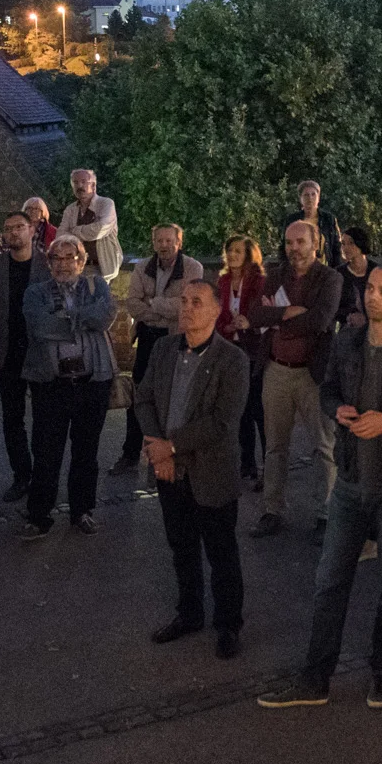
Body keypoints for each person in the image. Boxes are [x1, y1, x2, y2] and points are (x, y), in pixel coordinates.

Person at [260, 264, 382, 711]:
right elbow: (328, 390)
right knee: (329, 581)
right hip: (349, 482)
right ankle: (316, 677)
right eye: (370, 288)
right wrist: (338, 409)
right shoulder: (346, 341)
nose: (373, 296)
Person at [135, 280, 251, 659]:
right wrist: (159, 449)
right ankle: (189, 613)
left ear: (217, 310)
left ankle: (228, 625)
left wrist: (170, 447)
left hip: (211, 473)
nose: (186, 307)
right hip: (169, 471)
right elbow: (144, 398)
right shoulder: (164, 349)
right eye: (183, 301)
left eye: (196, 302)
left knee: (221, 553)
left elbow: (222, 422)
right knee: (181, 547)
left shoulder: (232, 360)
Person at [20, 236, 117, 539]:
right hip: (51, 385)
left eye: (69, 257)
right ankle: (39, 516)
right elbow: (40, 327)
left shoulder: (97, 286)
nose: (62, 264)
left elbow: (105, 317)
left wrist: (66, 319)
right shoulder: (35, 293)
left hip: (92, 384)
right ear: (48, 263)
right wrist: (83, 319)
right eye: (56, 258)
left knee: (86, 452)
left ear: (82, 261)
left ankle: (82, 511)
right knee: (46, 453)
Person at [248, 219, 341, 537]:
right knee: (274, 446)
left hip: (312, 373)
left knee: (324, 447)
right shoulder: (275, 276)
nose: (294, 248)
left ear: (316, 244)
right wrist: (288, 312)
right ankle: (272, 510)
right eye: (289, 242)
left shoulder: (330, 278)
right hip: (276, 370)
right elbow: (255, 315)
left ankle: (326, 515)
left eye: (300, 242)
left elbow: (320, 320)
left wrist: (278, 319)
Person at [115, 224, 203, 476]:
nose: (164, 245)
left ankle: (172, 454)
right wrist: (165, 310)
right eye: (159, 241)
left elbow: (187, 306)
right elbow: (132, 303)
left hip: (175, 338)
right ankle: (130, 453)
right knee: (139, 395)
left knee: (175, 396)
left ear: (179, 242)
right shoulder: (143, 267)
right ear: (153, 243)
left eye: (168, 241)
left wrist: (152, 303)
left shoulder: (193, 268)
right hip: (147, 337)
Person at [0, 212, 48, 503]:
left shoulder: (48, 264)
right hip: (7, 353)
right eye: (8, 229)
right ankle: (21, 475)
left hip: (41, 353)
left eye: (19, 227)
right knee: (12, 419)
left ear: (32, 230)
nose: (13, 233)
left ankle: (43, 476)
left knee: (44, 419)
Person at [216, 234, 267, 484]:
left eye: (237, 251)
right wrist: (226, 326)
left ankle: (269, 466)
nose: (232, 255)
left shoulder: (259, 281)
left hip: (254, 350)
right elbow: (218, 311)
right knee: (240, 410)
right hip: (232, 348)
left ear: (248, 254)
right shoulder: (223, 281)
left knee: (259, 410)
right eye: (229, 250)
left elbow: (263, 312)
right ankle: (247, 463)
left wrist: (248, 322)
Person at [57, 168, 122, 275]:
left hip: (101, 269)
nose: (79, 186)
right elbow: (60, 235)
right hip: (75, 269)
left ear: (93, 185)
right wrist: (84, 232)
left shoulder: (106, 204)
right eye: (75, 182)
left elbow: (100, 229)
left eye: (83, 182)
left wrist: (74, 231)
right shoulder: (70, 209)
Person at [283, 180, 343, 266]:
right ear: (300, 199)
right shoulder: (292, 220)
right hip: (298, 267)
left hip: (324, 268)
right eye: (306, 195)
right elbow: (284, 246)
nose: (310, 198)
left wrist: (336, 270)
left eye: (313, 194)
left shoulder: (328, 219)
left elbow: (336, 247)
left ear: (318, 197)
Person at [334, 226, 375, 330]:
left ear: (360, 243)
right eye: (343, 244)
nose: (345, 248)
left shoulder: (376, 272)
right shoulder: (338, 274)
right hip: (348, 330)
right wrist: (349, 316)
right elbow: (332, 306)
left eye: (351, 243)